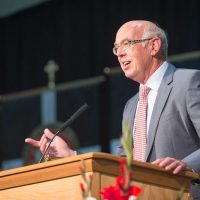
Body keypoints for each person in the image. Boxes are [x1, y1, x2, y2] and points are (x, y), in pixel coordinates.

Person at [25, 20, 200, 198]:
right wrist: (70, 155)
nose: (120, 54)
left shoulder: (187, 83)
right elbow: (121, 167)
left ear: (154, 46)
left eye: (127, 44)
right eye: (117, 48)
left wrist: (188, 166)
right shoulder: (132, 105)